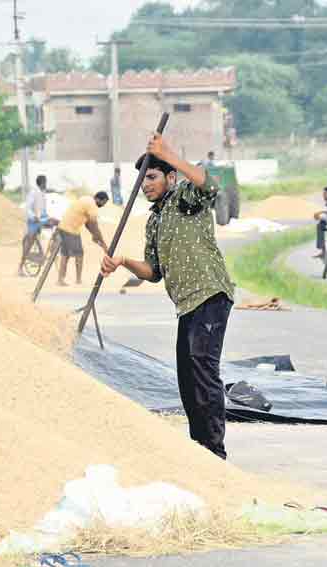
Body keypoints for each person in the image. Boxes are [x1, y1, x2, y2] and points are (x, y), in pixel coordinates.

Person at [100, 132, 235, 460]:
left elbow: (211, 186)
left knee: (203, 372)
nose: (145, 184)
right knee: (187, 381)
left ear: (170, 177)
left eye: (152, 176)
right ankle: (198, 449)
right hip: (186, 305)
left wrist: (168, 153)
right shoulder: (155, 219)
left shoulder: (185, 197)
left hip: (209, 294)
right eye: (143, 179)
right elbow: (153, 271)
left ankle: (214, 453)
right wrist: (123, 262)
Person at [56, 191, 109, 286]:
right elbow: (94, 225)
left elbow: (88, 224)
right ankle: (78, 280)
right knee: (79, 254)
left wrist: (94, 236)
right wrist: (103, 243)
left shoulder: (86, 199)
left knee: (65, 255)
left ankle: (60, 279)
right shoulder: (92, 205)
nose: (103, 205)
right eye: (103, 203)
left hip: (63, 227)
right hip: (71, 230)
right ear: (98, 199)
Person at [18, 174, 49, 275]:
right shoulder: (33, 193)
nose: (46, 184)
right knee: (29, 243)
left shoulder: (42, 193)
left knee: (54, 222)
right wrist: (33, 217)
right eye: (45, 182)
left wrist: (46, 217)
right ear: (42, 183)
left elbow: (43, 209)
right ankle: (20, 267)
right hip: (33, 221)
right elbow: (28, 208)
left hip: (41, 219)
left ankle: (52, 248)